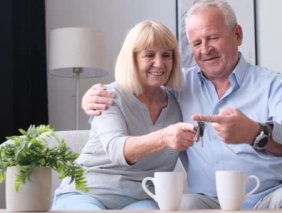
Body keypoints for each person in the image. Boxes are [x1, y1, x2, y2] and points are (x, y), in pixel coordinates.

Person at [82, 0, 282, 210]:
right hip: (207, 200)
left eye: (213, 38)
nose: (205, 49)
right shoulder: (180, 86)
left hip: (268, 196)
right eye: (197, 42)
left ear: (237, 35)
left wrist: (255, 132)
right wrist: (91, 97)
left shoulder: (274, 85)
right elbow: (142, 86)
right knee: (183, 205)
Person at [52, 20, 197, 210]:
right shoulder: (107, 96)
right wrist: (164, 137)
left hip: (142, 199)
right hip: (87, 192)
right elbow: (116, 148)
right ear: (132, 59)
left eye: (166, 55)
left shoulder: (179, 101)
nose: (159, 63)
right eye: (149, 55)